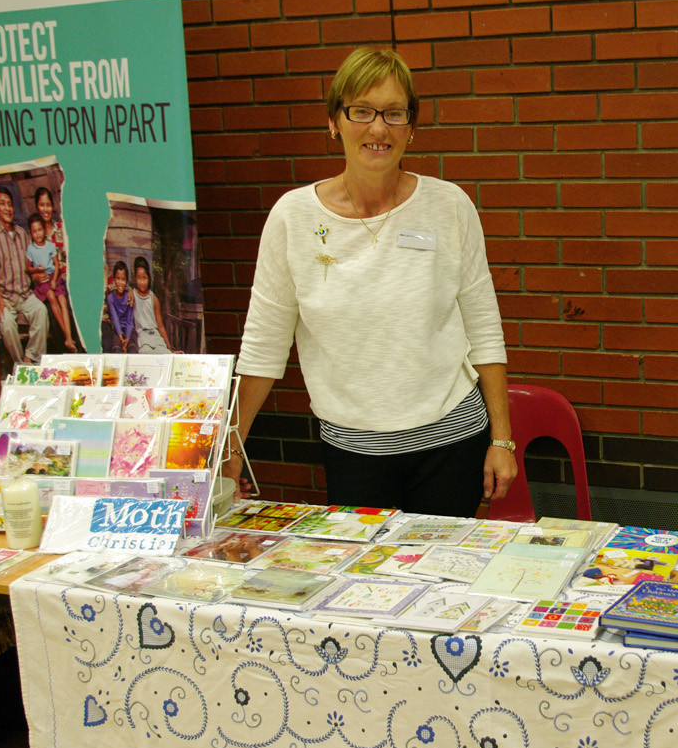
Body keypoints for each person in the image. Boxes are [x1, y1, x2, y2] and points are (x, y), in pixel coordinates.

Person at [229, 46, 515, 516]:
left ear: (411, 128)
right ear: (333, 121)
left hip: (453, 445)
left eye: (394, 113)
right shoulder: (293, 218)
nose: (378, 128)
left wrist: (502, 437)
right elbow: (263, 346)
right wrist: (230, 447)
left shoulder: (450, 206)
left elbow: (484, 328)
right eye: (361, 111)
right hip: (353, 454)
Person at [0, 184, 47, 366]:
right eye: (2, 204)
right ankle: (20, 364)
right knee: (6, 324)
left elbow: (30, 266)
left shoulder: (22, 233)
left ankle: (31, 357)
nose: (7, 208)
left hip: (24, 293)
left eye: (10, 204)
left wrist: (37, 276)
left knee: (41, 312)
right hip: (5, 295)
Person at [26, 214, 78, 352]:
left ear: (44, 230)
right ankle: (67, 337)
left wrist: (55, 280)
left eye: (39, 230)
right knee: (50, 296)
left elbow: (56, 264)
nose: (37, 234)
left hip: (53, 277)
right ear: (31, 233)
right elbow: (28, 268)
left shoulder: (50, 246)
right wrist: (36, 270)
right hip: (42, 280)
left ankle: (69, 337)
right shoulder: (31, 249)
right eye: (34, 231)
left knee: (63, 301)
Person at [130, 255, 176, 353]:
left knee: (165, 355)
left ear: (149, 278)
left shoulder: (153, 299)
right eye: (139, 278)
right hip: (142, 337)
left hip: (156, 337)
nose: (142, 282)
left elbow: (161, 327)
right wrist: (129, 290)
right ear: (135, 278)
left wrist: (170, 349)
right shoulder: (132, 295)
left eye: (145, 278)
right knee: (146, 355)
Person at [106, 260, 136, 352]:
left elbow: (130, 320)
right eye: (118, 278)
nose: (120, 282)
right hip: (117, 330)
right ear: (114, 280)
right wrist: (120, 337)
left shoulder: (129, 296)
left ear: (127, 282)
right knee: (116, 349)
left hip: (129, 329)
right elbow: (115, 318)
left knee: (133, 348)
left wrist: (127, 338)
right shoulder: (111, 298)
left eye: (123, 279)